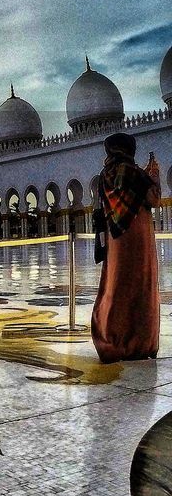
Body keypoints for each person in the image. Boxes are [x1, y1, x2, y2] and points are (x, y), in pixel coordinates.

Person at [92, 132, 161, 363]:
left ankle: (113, 339)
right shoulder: (137, 174)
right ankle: (141, 342)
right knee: (140, 286)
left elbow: (103, 208)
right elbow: (153, 199)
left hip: (116, 239)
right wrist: (153, 176)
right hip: (138, 238)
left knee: (116, 285)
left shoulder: (105, 175)